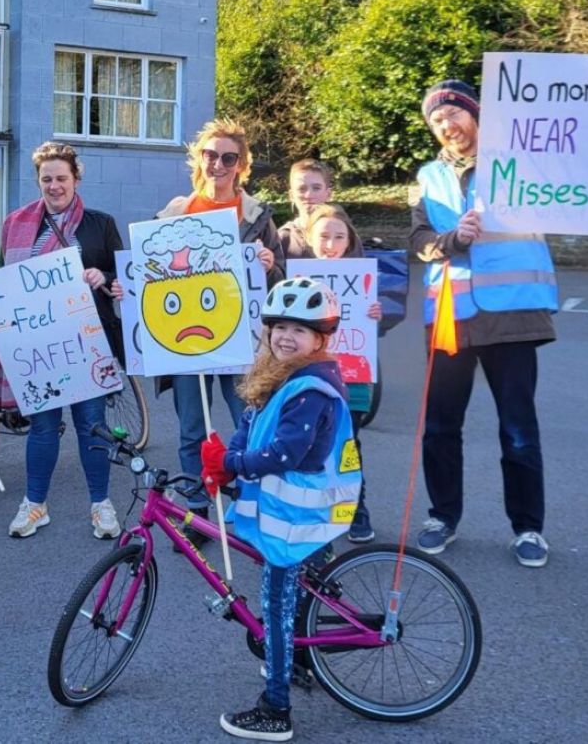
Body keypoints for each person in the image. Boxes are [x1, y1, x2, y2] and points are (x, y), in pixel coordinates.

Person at [199, 278, 361, 741]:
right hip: (296, 518)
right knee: (294, 603)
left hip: (298, 522)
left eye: (301, 330)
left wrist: (232, 465)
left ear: (320, 340)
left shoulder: (310, 387)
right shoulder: (280, 375)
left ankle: (276, 709)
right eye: (280, 326)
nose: (287, 337)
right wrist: (228, 457)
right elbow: (250, 424)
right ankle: (297, 661)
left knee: (276, 606)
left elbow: (284, 453)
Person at [409, 79, 557, 567]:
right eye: (436, 120)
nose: (447, 125)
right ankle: (442, 517)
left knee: (517, 427)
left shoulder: (524, 162)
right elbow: (418, 240)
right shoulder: (428, 176)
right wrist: (450, 240)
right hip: (451, 317)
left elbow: (566, 194)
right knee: (439, 426)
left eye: (454, 113)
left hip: (512, 313)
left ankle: (528, 528)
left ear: (475, 114)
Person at [0, 142, 124, 540]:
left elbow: (123, 277)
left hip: (87, 341)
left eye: (61, 178)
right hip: (38, 348)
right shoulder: (17, 223)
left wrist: (105, 278)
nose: (54, 186)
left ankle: (100, 504)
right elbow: (4, 279)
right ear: (38, 181)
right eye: (47, 179)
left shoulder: (100, 224)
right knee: (43, 428)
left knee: (92, 426)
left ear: (76, 179)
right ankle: (35, 505)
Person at [156, 118, 285, 545]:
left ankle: (249, 506)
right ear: (199, 160)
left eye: (229, 158)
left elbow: (281, 280)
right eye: (211, 155)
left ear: (241, 165)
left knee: (247, 423)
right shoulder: (173, 213)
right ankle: (196, 514)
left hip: (241, 342)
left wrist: (269, 267)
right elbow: (152, 280)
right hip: (187, 343)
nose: (219, 165)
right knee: (192, 428)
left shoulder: (257, 215)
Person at [306, 204, 381, 543]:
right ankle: (317, 509)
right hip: (310, 380)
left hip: (353, 380)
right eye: (323, 236)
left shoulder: (362, 278)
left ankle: (355, 511)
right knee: (312, 446)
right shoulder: (298, 277)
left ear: (349, 240)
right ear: (310, 238)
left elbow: (374, 332)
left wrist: (377, 314)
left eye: (339, 237)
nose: (331, 244)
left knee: (349, 447)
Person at [278, 158, 335, 258]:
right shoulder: (282, 238)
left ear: (328, 194)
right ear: (291, 195)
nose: (308, 195)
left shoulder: (344, 236)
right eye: (301, 189)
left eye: (316, 188)